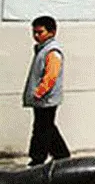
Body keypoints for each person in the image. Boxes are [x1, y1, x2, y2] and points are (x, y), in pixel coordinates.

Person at [22, 16, 70, 166]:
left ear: (52, 32)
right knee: (47, 127)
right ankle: (61, 155)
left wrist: (39, 92)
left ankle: (38, 158)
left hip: (46, 99)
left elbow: (51, 76)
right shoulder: (42, 49)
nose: (36, 35)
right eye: (34, 32)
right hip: (42, 99)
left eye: (40, 32)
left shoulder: (52, 52)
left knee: (42, 128)